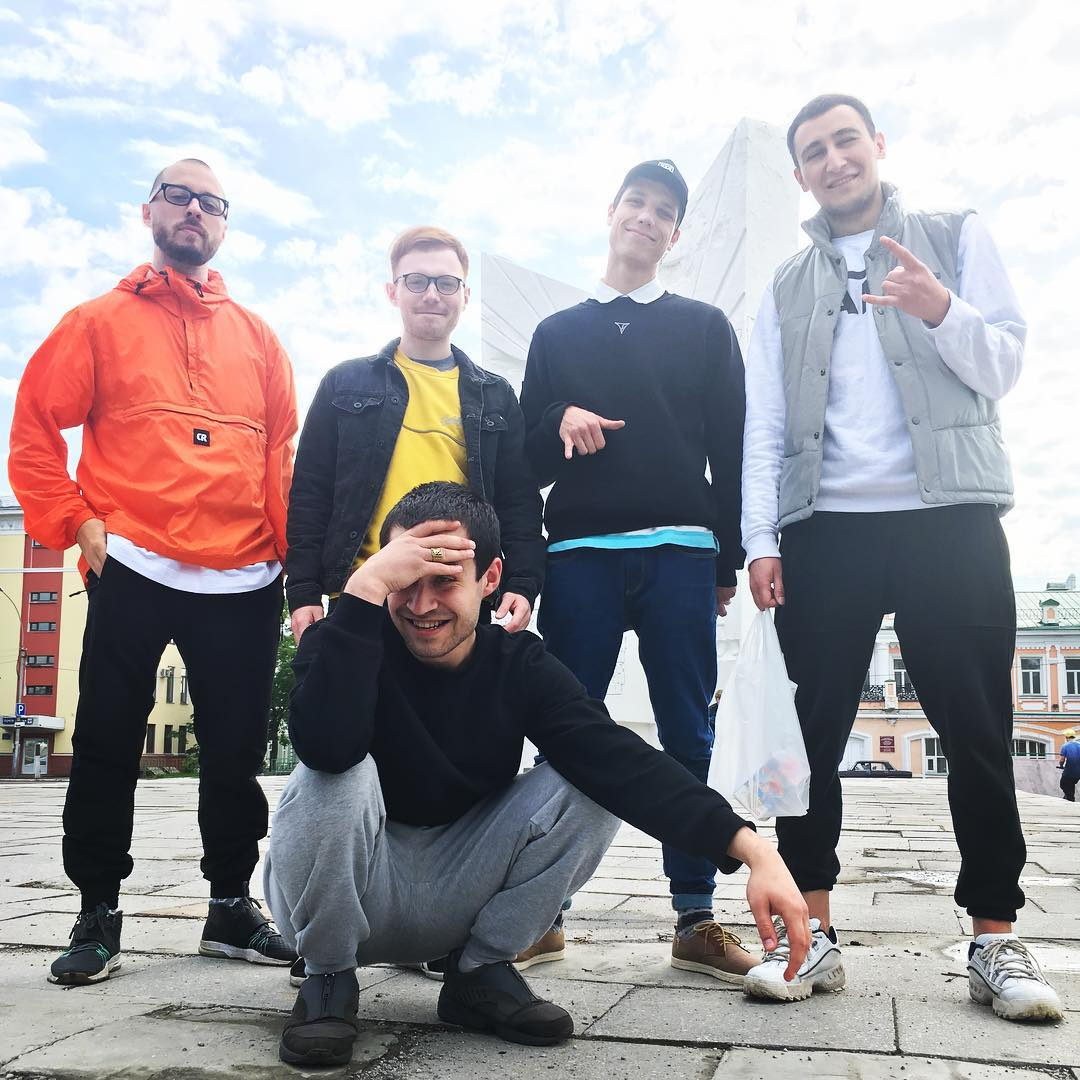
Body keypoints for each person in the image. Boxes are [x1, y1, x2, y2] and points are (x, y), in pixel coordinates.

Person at [264, 482, 809, 1067]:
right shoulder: (343, 640)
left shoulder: (518, 663)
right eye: (404, 581)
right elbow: (325, 746)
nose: (421, 605)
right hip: (343, 897)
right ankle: (327, 979)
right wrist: (363, 592)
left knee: (590, 779)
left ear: (490, 578)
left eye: (444, 581)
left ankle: (480, 974)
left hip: (457, 897)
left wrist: (753, 850)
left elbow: (619, 760)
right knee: (334, 774)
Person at [740, 93, 1062, 1021]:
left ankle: (994, 938)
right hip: (825, 528)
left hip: (948, 517)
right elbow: (765, 423)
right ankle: (809, 934)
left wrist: (941, 309)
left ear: (877, 145)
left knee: (977, 730)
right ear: (800, 174)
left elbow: (1004, 364)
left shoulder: (954, 235)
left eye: (847, 140)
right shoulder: (786, 283)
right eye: (814, 150)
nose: (834, 159)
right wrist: (761, 538)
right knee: (810, 740)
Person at [9, 158, 298, 985]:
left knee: (235, 750)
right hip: (132, 560)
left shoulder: (259, 338)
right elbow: (33, 430)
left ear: (224, 224)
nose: (194, 210)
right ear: (149, 212)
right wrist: (77, 522)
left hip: (244, 575)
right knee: (105, 739)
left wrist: (295, 563)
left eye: (211, 202)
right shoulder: (98, 322)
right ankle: (97, 909)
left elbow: (281, 455)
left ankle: (230, 906)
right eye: (179, 195)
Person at [518, 160, 751, 980]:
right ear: (611, 212)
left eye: (664, 211)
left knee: (688, 732)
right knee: (561, 731)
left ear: (675, 234)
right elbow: (526, 460)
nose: (647, 217)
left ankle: (695, 914)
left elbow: (733, 451)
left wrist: (727, 558)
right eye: (637, 202)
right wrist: (559, 417)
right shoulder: (556, 334)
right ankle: (540, 913)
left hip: (681, 552)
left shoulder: (704, 327)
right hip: (578, 554)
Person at [284, 226, 543, 644]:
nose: (432, 294)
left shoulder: (495, 395)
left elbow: (519, 502)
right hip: (363, 594)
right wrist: (302, 590)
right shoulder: (343, 383)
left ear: (465, 295)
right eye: (417, 281)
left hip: (458, 600)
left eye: (447, 283)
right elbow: (310, 493)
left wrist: (523, 581)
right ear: (393, 291)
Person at [1059, 730, 1080, 802]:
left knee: (1063, 784)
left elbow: (1062, 760)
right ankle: (1068, 797)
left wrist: (1061, 765)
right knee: (1071, 784)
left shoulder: (1065, 746)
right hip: (1078, 772)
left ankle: (1070, 799)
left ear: (1067, 737)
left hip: (1070, 770)